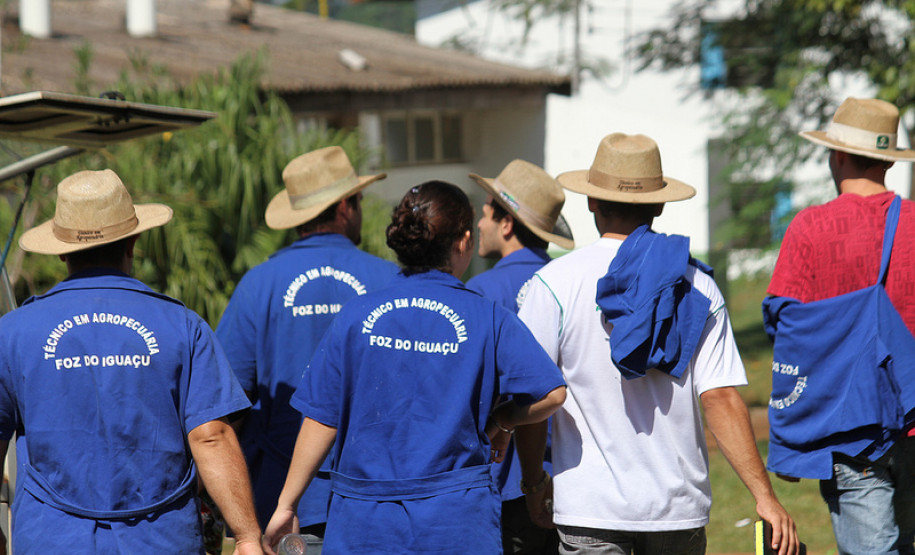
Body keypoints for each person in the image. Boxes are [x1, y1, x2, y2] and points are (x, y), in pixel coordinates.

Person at [516, 133, 798, 555]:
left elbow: (533, 397)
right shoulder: (697, 284)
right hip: (676, 511)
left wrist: (534, 481)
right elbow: (720, 398)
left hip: (591, 508)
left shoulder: (551, 285)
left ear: (591, 201)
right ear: (660, 204)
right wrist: (765, 496)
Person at [262, 180, 567, 554]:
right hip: (455, 522)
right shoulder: (487, 317)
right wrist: (503, 420)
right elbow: (552, 393)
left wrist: (286, 503)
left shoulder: (356, 316)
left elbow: (322, 418)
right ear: (463, 241)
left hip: (366, 521)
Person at [0, 169, 262, 554]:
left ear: (60, 249)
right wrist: (247, 536)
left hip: (54, 540)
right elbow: (211, 436)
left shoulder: (14, 332)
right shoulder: (181, 325)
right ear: (133, 240)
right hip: (159, 539)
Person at [216, 146, 399, 536]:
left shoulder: (258, 284)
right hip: (376, 494)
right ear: (345, 207)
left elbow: (226, 399)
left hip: (280, 501)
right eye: (359, 200)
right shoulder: (391, 281)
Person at [766, 97, 915, 554]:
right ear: (887, 161)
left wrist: (792, 435)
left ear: (839, 155)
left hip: (851, 428)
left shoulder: (810, 229)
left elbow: (788, 333)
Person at [466, 159, 573, 554]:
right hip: (568, 476)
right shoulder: (567, 282)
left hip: (504, 482)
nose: (479, 225)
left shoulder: (481, 292)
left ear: (507, 224)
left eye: (485, 214)